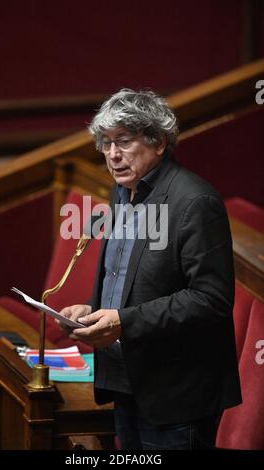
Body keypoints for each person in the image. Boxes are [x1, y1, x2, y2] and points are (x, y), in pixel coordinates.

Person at [59, 88, 242, 450]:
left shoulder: (195, 201)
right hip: (126, 380)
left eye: (123, 142)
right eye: (106, 143)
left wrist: (123, 322)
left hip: (176, 393)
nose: (112, 155)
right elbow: (127, 275)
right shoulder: (122, 191)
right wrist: (93, 310)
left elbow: (211, 299)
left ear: (158, 142)